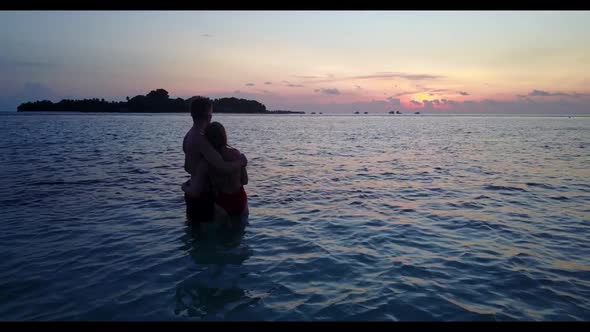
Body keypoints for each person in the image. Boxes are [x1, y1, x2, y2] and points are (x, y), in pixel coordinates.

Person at [181, 97, 247, 223]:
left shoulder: (188, 136)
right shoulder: (201, 140)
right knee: (207, 238)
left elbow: (187, 167)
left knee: (196, 237)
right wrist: (241, 162)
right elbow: (222, 167)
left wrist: (190, 183)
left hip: (191, 193)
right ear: (209, 116)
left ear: (192, 114)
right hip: (202, 196)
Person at [205, 121, 249, 223]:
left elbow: (213, 185)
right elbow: (245, 181)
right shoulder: (236, 154)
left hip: (223, 201)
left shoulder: (212, 160)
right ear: (224, 136)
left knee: (222, 236)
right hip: (240, 199)